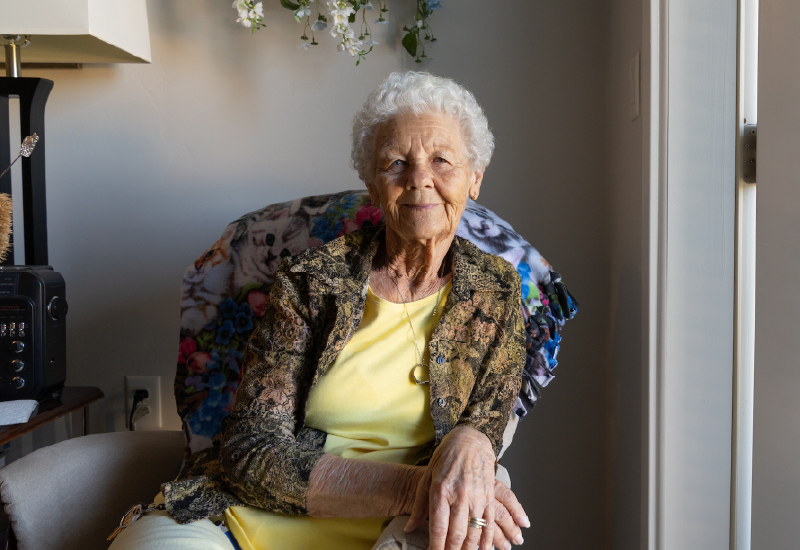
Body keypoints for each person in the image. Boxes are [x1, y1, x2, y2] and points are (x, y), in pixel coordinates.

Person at [111, 71, 531, 550]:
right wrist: (415, 487)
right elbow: (249, 452)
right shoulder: (311, 281)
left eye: (442, 160)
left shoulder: (496, 288)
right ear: (373, 185)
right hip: (241, 520)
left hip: (394, 533)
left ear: (474, 178)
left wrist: (471, 440)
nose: (419, 178)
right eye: (396, 163)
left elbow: (489, 415)